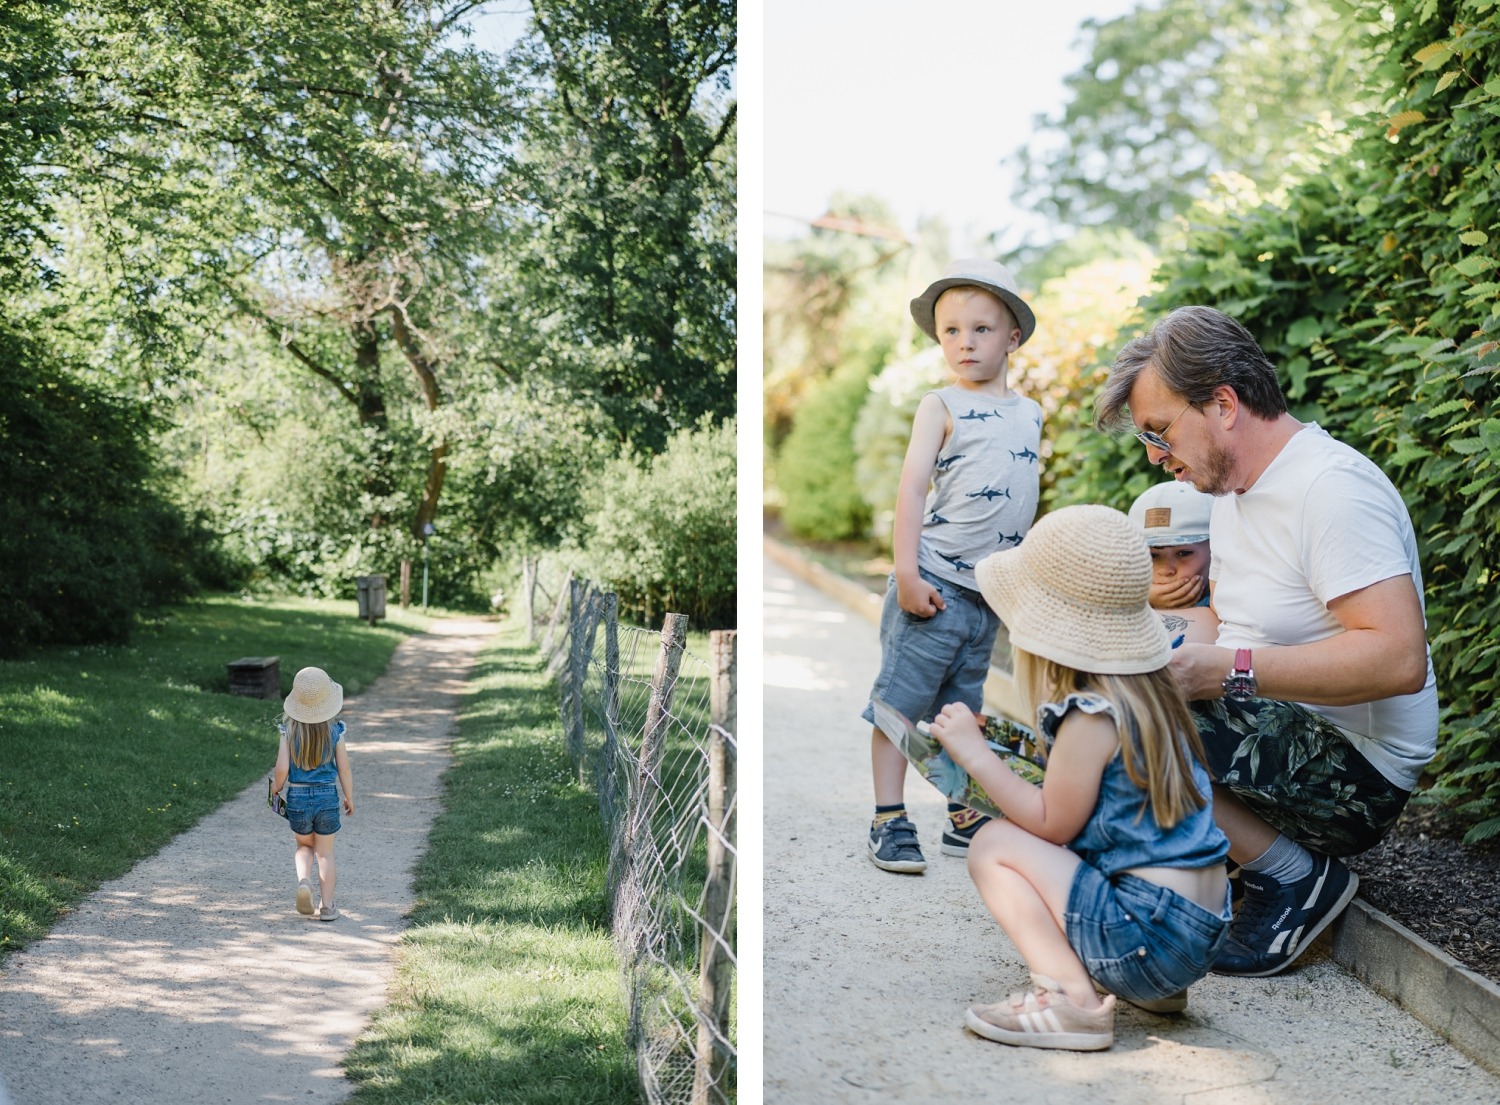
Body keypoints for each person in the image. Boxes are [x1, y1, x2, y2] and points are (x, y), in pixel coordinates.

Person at [1095, 305, 1439, 977]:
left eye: (1160, 431)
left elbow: (1399, 657)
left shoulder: (1330, 490)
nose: (1155, 457)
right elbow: (1225, 621)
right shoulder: (1232, 493)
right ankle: (1193, 864)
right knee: (1101, 675)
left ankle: (1293, 876)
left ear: (1223, 403)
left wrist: (1228, 673)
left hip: (1359, 773)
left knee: (1130, 711)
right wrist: (1118, 638)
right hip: (1287, 731)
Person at [928, 504, 1230, 1051]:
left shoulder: (1092, 715)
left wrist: (976, 756)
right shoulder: (1150, 696)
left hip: (1150, 936)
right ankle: (1152, 989)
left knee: (992, 845)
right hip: (1199, 933)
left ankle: (1072, 1002)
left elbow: (1051, 824)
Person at [861, 258, 1044, 873]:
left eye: (981, 330)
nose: (964, 343)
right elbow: (912, 491)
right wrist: (907, 573)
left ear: (1013, 336)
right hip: (935, 581)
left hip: (987, 593)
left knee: (962, 710)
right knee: (901, 704)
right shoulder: (939, 405)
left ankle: (964, 813)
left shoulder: (1031, 414)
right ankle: (889, 818)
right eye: (951, 332)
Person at [270, 666, 355, 921]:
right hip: (328, 796)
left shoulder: (288, 731)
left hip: (297, 797)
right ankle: (327, 906)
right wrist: (349, 797)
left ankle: (304, 881)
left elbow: (283, 768)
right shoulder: (336, 730)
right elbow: (344, 768)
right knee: (325, 852)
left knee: (304, 846)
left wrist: (276, 789)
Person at [1128, 479, 1218, 646]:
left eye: (1184, 553)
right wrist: (1142, 599)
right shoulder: (1131, 594)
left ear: (1216, 549)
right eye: (1153, 556)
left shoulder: (1230, 604)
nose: (1166, 570)